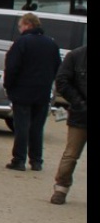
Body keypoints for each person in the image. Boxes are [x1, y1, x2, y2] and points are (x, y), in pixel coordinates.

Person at [2, 11, 62, 171]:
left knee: (22, 126)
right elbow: (58, 67)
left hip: (22, 91)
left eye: (20, 26)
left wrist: (8, 86)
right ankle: (36, 161)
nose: (19, 29)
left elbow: (12, 67)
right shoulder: (51, 43)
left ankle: (19, 160)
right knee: (37, 127)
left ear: (28, 25)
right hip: (42, 92)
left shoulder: (21, 43)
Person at [50, 45, 87, 204]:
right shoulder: (76, 56)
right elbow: (62, 81)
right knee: (71, 154)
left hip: (80, 111)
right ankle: (61, 188)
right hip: (81, 114)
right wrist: (79, 102)